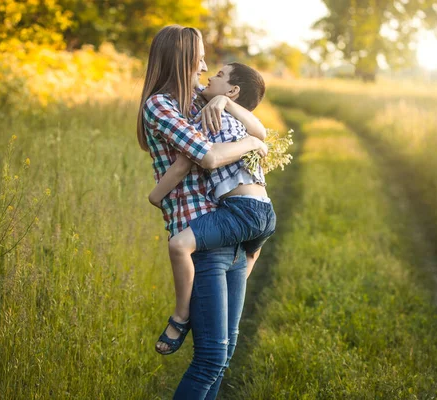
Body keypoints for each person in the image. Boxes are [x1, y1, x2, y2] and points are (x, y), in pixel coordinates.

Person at [136, 25, 268, 398]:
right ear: (181, 58)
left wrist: (225, 102)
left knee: (223, 355)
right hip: (200, 232)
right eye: (199, 57)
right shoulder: (159, 105)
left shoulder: (199, 96)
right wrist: (249, 143)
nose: (205, 65)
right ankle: (179, 318)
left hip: (228, 225)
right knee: (210, 358)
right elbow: (209, 157)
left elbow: (260, 130)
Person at [148, 62, 276, 356]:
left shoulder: (209, 120)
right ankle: (224, 304)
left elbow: (184, 163)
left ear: (232, 90)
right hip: (265, 212)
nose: (208, 75)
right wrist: (225, 102)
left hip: (241, 210)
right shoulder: (242, 122)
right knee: (246, 257)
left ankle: (182, 316)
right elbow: (260, 132)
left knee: (179, 245)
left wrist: (156, 196)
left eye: (218, 75)